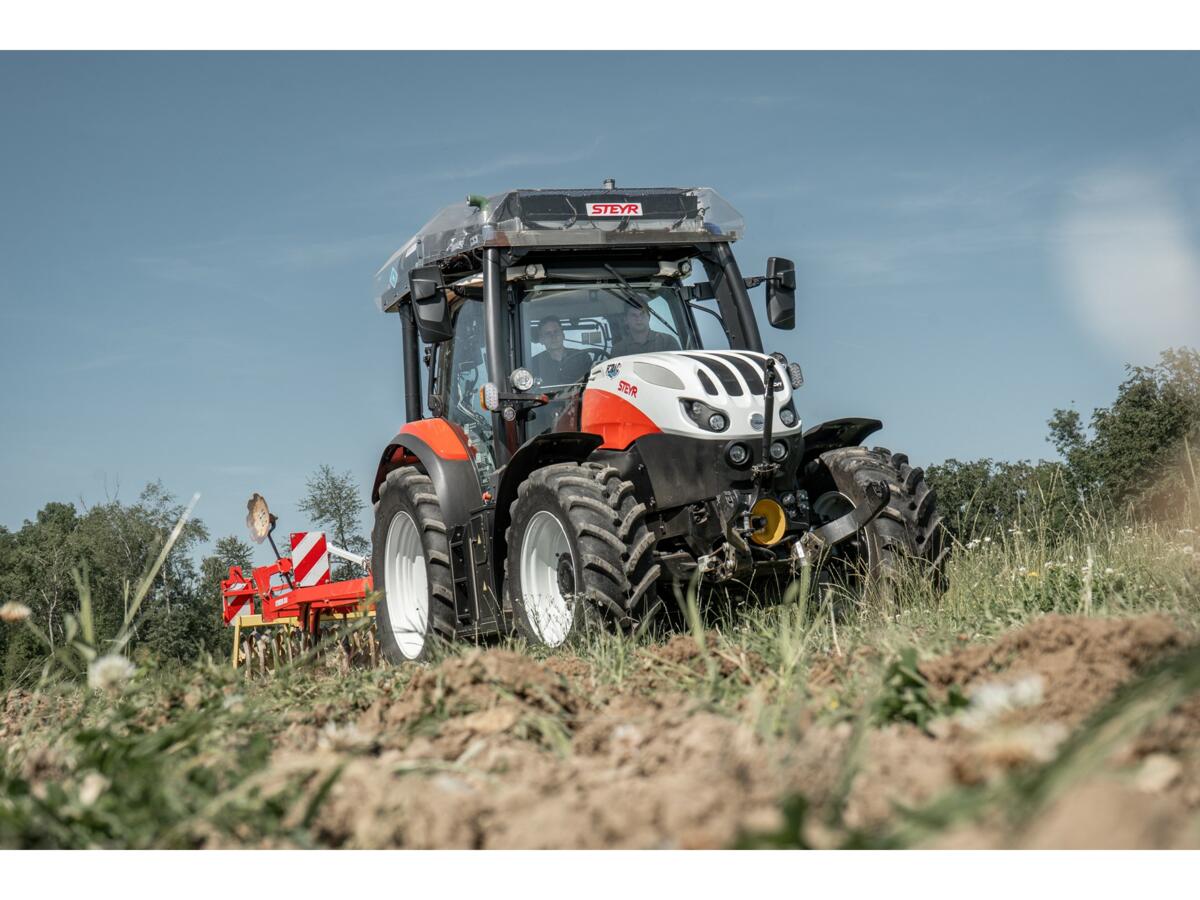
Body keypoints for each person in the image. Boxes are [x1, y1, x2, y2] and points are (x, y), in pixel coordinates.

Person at [529, 316, 592, 388]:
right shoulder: (534, 364)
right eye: (548, 333)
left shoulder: (582, 357)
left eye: (556, 332)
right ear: (541, 340)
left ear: (563, 335)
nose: (553, 337)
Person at [611, 302, 680, 357]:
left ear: (649, 317)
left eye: (642, 314)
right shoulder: (618, 350)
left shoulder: (667, 342)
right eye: (634, 315)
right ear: (626, 320)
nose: (639, 319)